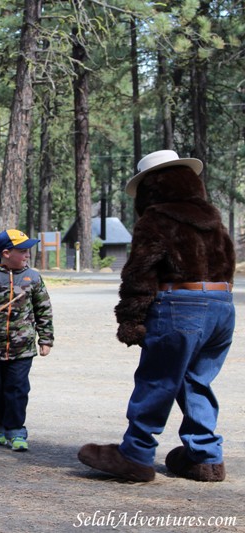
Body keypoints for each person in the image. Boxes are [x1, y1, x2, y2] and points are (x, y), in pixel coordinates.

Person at [78, 150, 235, 483]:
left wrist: (131, 320)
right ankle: (205, 457)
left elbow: (140, 272)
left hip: (180, 305)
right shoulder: (213, 218)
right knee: (197, 381)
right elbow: (228, 261)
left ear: (152, 186)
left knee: (157, 378)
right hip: (222, 304)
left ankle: (135, 454)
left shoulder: (156, 218)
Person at [0, 229, 54, 452]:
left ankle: (16, 430)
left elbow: (44, 310)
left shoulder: (32, 277)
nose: (27, 255)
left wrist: (46, 339)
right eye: (22, 251)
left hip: (21, 349)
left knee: (17, 389)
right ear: (6, 253)